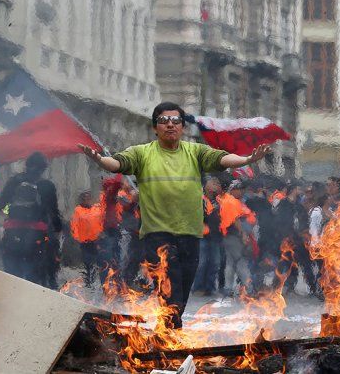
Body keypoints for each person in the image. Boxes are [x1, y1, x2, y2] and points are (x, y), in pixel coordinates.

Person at [78, 102, 270, 328]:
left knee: (182, 292)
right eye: (163, 121)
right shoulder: (142, 153)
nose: (170, 125)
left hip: (190, 235)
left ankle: (168, 331)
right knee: (170, 291)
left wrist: (246, 160)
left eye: (176, 121)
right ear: (155, 127)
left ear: (182, 127)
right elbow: (117, 163)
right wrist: (101, 160)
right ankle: (171, 332)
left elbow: (222, 159)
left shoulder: (195, 151)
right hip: (158, 236)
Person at [0, 152, 63, 288]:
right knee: (34, 276)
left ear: (27, 165)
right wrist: (58, 228)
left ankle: (13, 295)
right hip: (37, 237)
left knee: (12, 274)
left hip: (13, 235)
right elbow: (53, 212)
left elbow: (1, 203)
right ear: (43, 169)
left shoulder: (14, 181)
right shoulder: (47, 185)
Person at [219, 179, 257, 296]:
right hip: (233, 236)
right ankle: (249, 288)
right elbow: (236, 220)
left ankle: (228, 289)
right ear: (233, 190)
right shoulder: (231, 202)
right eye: (239, 189)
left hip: (231, 236)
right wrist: (244, 234)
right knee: (241, 262)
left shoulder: (231, 200)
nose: (242, 192)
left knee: (230, 263)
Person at [192, 177, 223, 296]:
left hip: (216, 236)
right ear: (206, 186)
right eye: (213, 183)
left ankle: (210, 287)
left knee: (215, 262)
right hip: (202, 236)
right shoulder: (198, 199)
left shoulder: (220, 201)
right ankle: (198, 287)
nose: (216, 185)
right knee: (202, 262)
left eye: (217, 183)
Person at [70, 191, 104, 288]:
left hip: (98, 240)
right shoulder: (78, 210)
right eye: (84, 198)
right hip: (86, 242)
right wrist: (78, 238)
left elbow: (102, 221)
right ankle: (89, 282)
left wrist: (102, 233)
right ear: (81, 200)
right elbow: (74, 225)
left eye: (88, 198)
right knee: (88, 262)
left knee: (101, 261)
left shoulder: (97, 208)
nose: (87, 200)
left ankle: (102, 281)